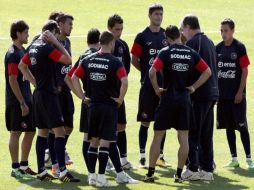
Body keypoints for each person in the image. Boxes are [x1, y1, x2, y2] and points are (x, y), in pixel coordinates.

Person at [143, 25, 211, 183]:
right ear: (180, 36)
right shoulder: (191, 52)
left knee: (157, 136)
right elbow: (207, 72)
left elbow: (152, 72)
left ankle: (150, 174)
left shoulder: (165, 52)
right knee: (184, 138)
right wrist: (193, 87)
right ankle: (179, 175)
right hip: (184, 99)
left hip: (167, 98)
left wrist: (157, 89)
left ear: (167, 39)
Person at [72, 31, 138, 187]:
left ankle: (92, 177)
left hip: (92, 106)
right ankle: (101, 177)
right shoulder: (115, 62)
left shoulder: (88, 60)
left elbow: (74, 77)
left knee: (93, 142)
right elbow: (125, 81)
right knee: (106, 143)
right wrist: (120, 99)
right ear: (111, 43)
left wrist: (82, 96)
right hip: (108, 107)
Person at [19, 20, 79, 182]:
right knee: (60, 133)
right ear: (51, 33)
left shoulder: (32, 47)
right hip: (49, 96)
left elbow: (22, 66)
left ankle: (41, 171)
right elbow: (68, 59)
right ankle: (62, 171)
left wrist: (34, 83)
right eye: (56, 33)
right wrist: (55, 43)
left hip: (38, 94)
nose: (58, 35)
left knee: (43, 132)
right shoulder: (47, 48)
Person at [131, 3, 170, 168]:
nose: (159, 17)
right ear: (149, 16)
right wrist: (147, 73)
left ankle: (160, 156)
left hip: (164, 86)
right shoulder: (142, 36)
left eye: (161, 14)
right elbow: (134, 59)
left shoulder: (166, 35)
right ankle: (141, 156)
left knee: (162, 122)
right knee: (145, 122)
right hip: (147, 86)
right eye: (156, 14)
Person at [180, 14, 219, 181]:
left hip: (200, 94)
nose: (182, 33)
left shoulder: (193, 43)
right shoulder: (210, 41)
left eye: (183, 29)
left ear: (189, 27)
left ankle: (193, 168)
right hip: (212, 93)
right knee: (206, 133)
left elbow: (190, 70)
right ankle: (207, 169)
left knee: (193, 132)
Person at [216, 18, 254, 169]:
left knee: (242, 126)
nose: (223, 34)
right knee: (229, 127)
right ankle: (234, 159)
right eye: (221, 31)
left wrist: (240, 92)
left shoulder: (239, 47)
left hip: (236, 96)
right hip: (223, 96)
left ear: (232, 31)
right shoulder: (217, 48)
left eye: (226, 31)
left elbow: (245, 71)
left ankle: (249, 159)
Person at [66, 28, 101, 179]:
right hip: (101, 100)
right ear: (100, 42)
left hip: (87, 100)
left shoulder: (83, 56)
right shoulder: (100, 56)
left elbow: (69, 77)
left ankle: (90, 170)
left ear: (87, 41)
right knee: (104, 137)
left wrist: (81, 96)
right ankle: (100, 171)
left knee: (87, 136)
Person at [5, 20, 36, 178]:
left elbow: (26, 73)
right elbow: (12, 80)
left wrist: (36, 85)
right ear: (18, 33)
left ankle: (24, 166)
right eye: (25, 32)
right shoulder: (12, 54)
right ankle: (15, 167)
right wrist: (22, 102)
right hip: (17, 101)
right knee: (16, 132)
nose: (27, 35)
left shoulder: (22, 50)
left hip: (27, 98)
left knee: (31, 131)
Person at [45, 12, 75, 178]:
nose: (71, 27)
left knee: (69, 126)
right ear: (61, 25)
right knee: (55, 128)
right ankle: (55, 161)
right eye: (69, 24)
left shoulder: (67, 41)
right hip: (54, 91)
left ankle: (58, 150)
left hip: (66, 89)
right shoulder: (51, 44)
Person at [107, 13, 134, 170]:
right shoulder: (102, 46)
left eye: (121, 29)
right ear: (109, 29)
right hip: (105, 95)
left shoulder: (123, 46)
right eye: (117, 29)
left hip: (119, 94)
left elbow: (127, 69)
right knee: (107, 127)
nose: (120, 32)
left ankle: (123, 159)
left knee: (121, 125)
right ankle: (108, 159)